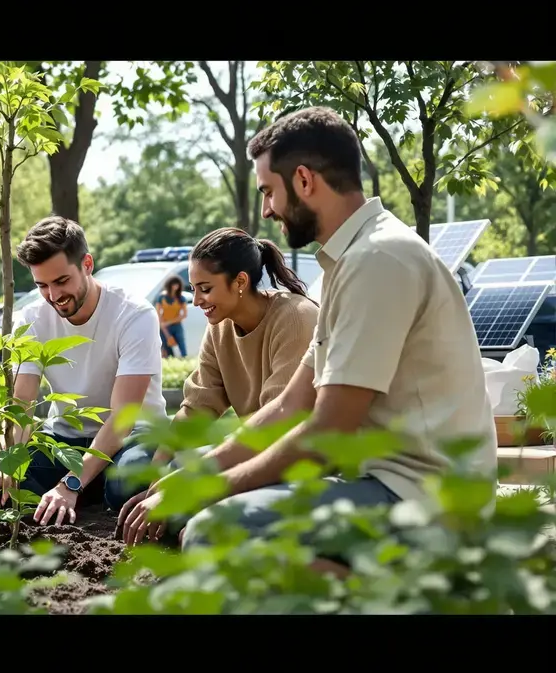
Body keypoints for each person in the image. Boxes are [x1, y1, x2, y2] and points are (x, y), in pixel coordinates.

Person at [117, 106, 497, 577]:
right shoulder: (352, 261)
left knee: (214, 530)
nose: (266, 210)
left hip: (425, 496)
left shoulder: (379, 260)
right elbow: (289, 407)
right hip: (380, 483)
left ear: (303, 180)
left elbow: (328, 430)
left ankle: (430, 595)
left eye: (268, 191)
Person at [112, 226, 320, 536]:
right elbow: (198, 407)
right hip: (250, 447)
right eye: (193, 288)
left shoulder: (295, 319)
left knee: (185, 506)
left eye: (205, 288)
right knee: (127, 482)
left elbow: (279, 424)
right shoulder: (220, 326)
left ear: (240, 282)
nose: (196, 300)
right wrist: (157, 474)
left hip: (289, 455)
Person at [0, 216, 166, 526]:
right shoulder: (32, 318)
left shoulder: (134, 315)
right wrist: (6, 464)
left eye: (62, 281)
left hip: (130, 440)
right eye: (41, 285)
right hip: (66, 441)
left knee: (126, 483)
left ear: (86, 264)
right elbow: (22, 404)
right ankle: (80, 495)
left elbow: (124, 418)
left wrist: (70, 483)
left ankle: (81, 491)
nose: (53, 295)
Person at [157, 276, 188, 358]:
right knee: (166, 347)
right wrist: (163, 327)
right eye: (173, 284)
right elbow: (158, 313)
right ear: (169, 285)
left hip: (177, 325)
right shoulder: (161, 298)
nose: (175, 286)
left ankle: (185, 362)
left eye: (177, 284)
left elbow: (184, 315)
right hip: (164, 326)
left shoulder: (181, 298)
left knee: (182, 346)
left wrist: (168, 322)